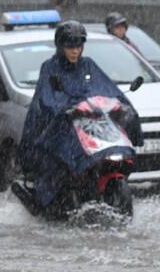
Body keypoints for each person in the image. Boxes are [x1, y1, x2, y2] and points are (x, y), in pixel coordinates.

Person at [15, 20, 142, 213]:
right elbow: (47, 97)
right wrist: (62, 107)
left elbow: (105, 88)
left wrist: (120, 104)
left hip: (89, 126)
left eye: (78, 45)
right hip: (60, 127)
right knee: (59, 163)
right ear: (60, 45)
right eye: (70, 46)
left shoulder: (88, 65)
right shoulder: (50, 67)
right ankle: (53, 198)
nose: (75, 51)